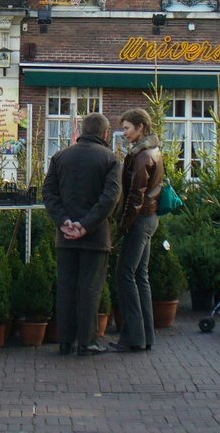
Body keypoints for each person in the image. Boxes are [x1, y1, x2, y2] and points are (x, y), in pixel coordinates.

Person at [42, 112, 121, 357]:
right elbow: (110, 198)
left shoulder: (60, 157)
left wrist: (64, 221)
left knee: (65, 287)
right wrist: (86, 225)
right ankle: (86, 342)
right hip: (95, 237)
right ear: (105, 133)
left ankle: (65, 341)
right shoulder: (110, 160)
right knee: (90, 288)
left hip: (64, 236)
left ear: (80, 131)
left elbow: (49, 193)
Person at [111, 108, 164, 353]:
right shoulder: (154, 151)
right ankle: (146, 336)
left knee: (125, 275)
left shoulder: (142, 156)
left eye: (127, 128)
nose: (125, 133)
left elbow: (136, 196)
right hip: (150, 218)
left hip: (139, 220)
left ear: (140, 127)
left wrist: (123, 225)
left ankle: (133, 336)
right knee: (141, 276)